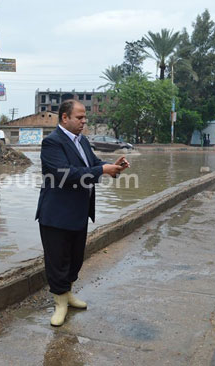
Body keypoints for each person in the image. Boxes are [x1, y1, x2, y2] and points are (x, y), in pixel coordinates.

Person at [36, 99, 130, 327]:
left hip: (79, 211)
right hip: (56, 214)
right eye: (79, 117)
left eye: (85, 117)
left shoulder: (83, 141)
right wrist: (101, 170)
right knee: (57, 260)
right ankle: (59, 303)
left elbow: (93, 163)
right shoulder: (52, 143)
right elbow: (65, 174)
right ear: (64, 118)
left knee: (75, 259)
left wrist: (111, 166)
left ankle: (67, 294)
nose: (84, 121)